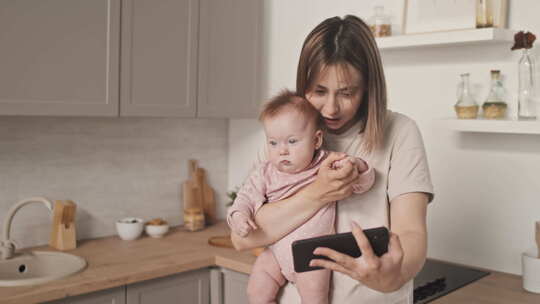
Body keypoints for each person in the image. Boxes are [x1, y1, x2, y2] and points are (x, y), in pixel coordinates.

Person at [231, 15, 434, 304]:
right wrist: (317, 194)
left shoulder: (400, 132)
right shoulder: (286, 137)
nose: (331, 108)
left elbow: (412, 232)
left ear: (368, 88)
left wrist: (392, 275)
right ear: (304, 85)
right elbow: (243, 238)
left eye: (347, 93)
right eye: (319, 91)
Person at [227, 90, 375, 304]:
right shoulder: (264, 172)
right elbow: (244, 199)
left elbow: (362, 184)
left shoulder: (327, 164)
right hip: (275, 253)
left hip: (312, 255)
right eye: (273, 143)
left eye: (292, 141)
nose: (282, 151)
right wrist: (239, 216)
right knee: (256, 291)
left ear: (316, 140)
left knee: (314, 299)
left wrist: (357, 167)